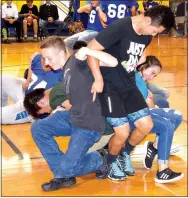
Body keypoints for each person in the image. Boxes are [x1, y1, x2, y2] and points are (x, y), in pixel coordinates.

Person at [24, 55, 184, 184]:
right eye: (152, 73)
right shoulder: (125, 73)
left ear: (41, 103)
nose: (48, 111)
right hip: (112, 122)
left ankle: (147, 149)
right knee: (166, 123)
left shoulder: (60, 91)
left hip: (109, 122)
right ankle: (113, 157)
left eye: (44, 112)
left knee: (169, 113)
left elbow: (82, 112)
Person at [87, 5, 175, 180]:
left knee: (146, 125)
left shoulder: (146, 36)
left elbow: (131, 59)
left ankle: (123, 154)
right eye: (155, 30)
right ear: (148, 20)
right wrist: (98, 78)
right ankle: (110, 162)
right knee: (122, 132)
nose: (154, 35)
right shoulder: (120, 27)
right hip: (109, 85)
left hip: (128, 84)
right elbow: (90, 50)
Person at [1, 52, 62, 124]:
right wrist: (27, 81)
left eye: (49, 59)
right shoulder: (39, 58)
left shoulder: (61, 74)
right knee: (2, 78)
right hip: (25, 91)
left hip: (33, 107)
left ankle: (30, 117)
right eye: (43, 58)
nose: (45, 62)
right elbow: (32, 65)